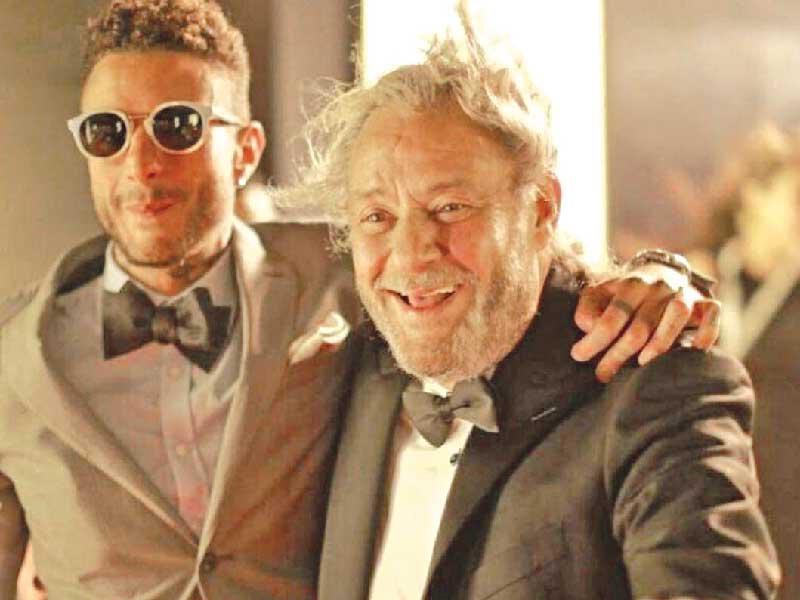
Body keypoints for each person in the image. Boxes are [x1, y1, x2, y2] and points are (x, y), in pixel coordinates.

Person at [1, 1, 723, 598]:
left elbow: (503, 266)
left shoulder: (342, 280)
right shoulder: (13, 354)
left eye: (177, 125)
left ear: (245, 149)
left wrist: (659, 277)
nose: (142, 162)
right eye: (107, 132)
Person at [303, 7, 781, 599]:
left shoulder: (656, 391)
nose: (411, 252)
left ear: (540, 210)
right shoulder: (339, 376)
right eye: (377, 216)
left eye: (450, 207)